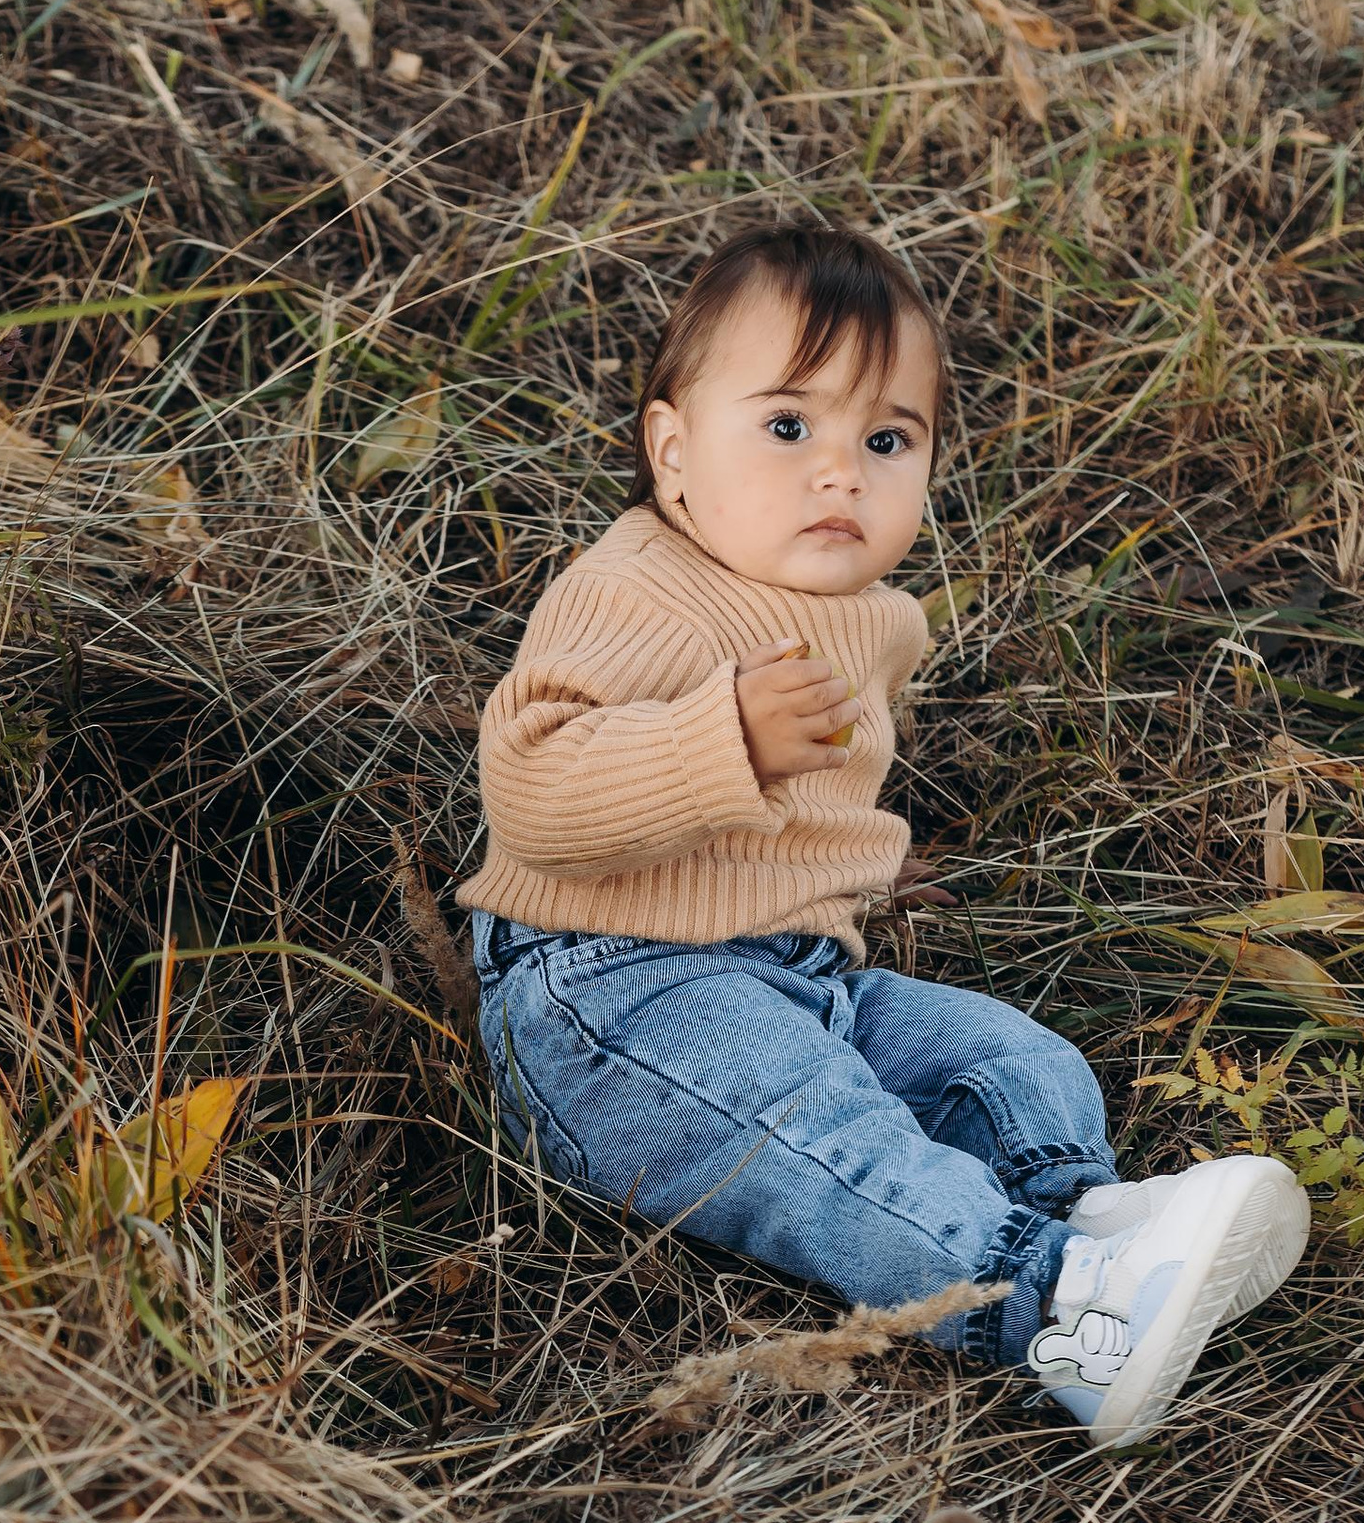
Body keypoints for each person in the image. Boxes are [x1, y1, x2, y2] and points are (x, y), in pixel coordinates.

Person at [459, 217, 1309, 1445]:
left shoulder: (871, 620)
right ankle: (1059, 1313)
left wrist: (840, 873)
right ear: (674, 450)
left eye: (888, 438)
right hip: (606, 991)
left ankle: (1091, 1216)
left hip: (798, 976)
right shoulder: (633, 587)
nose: (840, 471)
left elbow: (807, 824)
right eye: (789, 426)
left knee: (1014, 1060)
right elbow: (531, 792)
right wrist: (722, 742)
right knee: (817, 1134)